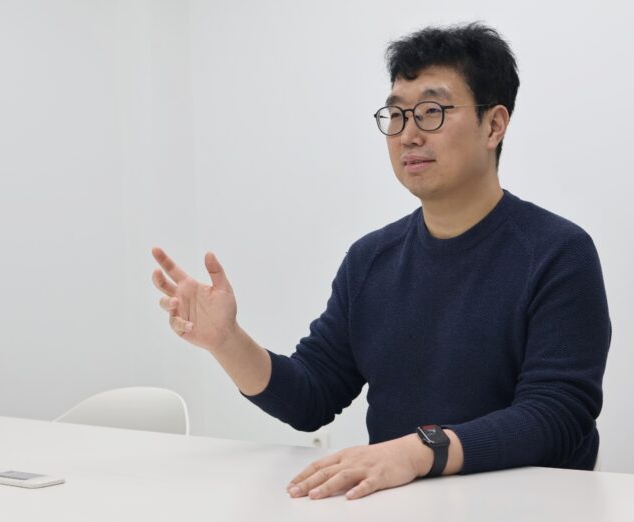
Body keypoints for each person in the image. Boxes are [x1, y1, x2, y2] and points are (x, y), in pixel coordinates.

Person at [151, 22, 611, 500]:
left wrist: (419, 450)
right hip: (402, 504)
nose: (407, 135)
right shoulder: (370, 260)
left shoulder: (558, 253)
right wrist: (227, 342)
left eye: (431, 112)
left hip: (528, 505)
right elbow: (311, 397)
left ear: (493, 125)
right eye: (396, 115)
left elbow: (556, 416)